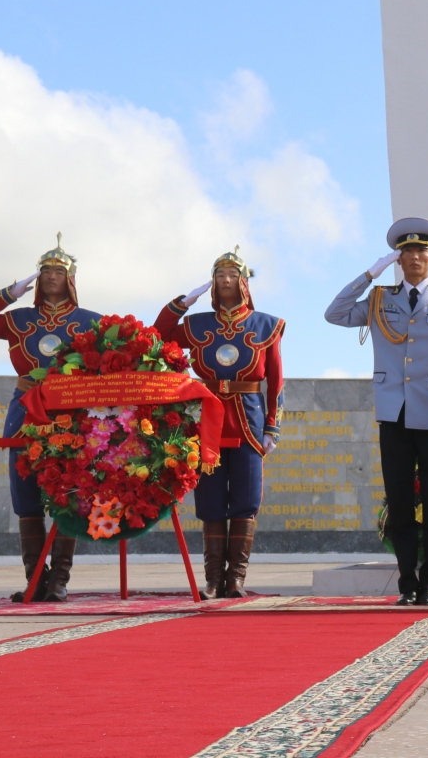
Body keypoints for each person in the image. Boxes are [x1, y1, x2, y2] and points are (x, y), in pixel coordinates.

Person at [325, 219, 428, 605]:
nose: (414, 258)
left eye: (421, 252)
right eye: (406, 252)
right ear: (398, 259)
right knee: (399, 503)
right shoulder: (379, 299)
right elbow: (335, 313)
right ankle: (407, 583)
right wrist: (368, 274)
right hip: (394, 415)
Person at [0, 235, 100, 602]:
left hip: (68, 412)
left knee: (67, 491)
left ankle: (58, 581)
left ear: (71, 279)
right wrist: (10, 293)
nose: (51, 275)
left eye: (59, 270)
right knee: (25, 495)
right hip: (25, 406)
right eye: (45, 270)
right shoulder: (19, 319)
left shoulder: (91, 322)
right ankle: (35, 580)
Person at [154, 247, 284, 599]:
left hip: (249, 423)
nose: (225, 281)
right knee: (210, 502)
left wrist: (272, 426)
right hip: (206, 423)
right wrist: (184, 302)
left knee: (245, 502)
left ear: (243, 283)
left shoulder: (266, 324)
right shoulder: (197, 325)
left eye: (231, 276)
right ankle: (213, 579)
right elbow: (158, 333)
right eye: (219, 276)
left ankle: (235, 579)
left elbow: (276, 380)